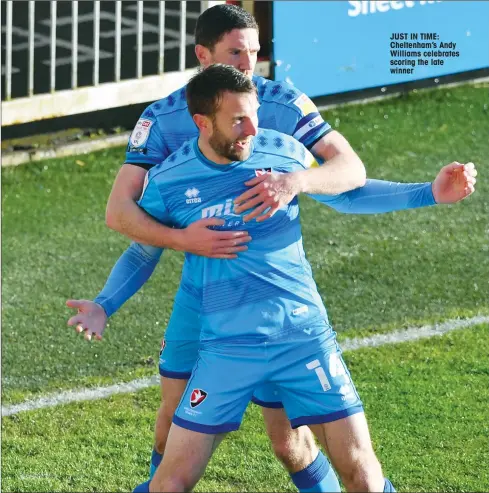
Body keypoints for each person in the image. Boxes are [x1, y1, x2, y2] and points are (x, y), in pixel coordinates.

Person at [67, 65, 477, 493]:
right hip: (227, 350)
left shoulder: (283, 153)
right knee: (168, 484)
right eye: (238, 120)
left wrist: (428, 193)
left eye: (254, 115)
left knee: (363, 477)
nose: (252, 128)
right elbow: (141, 248)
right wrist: (104, 303)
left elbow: (350, 193)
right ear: (203, 123)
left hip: (304, 340)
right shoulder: (170, 180)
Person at [70, 4, 368, 491]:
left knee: (288, 442)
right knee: (171, 424)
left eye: (254, 52)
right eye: (236, 53)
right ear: (203, 55)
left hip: (274, 300)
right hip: (201, 292)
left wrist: (297, 180)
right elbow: (122, 213)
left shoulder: (285, 103)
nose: (249, 65)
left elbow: (352, 174)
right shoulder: (164, 119)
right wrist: (177, 242)